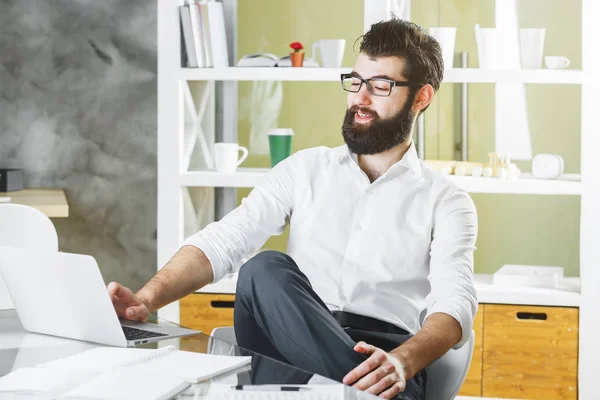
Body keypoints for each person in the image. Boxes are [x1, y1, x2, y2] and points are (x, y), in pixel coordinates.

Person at [107, 18, 478, 400]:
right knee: (265, 269)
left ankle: (362, 389)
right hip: (286, 351)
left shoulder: (447, 201)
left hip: (385, 361)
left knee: (367, 374)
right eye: (355, 81)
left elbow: (456, 301)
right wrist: (147, 299)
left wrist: (403, 360)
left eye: (380, 86)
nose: (360, 99)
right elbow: (225, 241)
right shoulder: (305, 169)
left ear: (421, 97)